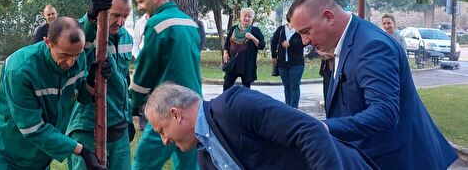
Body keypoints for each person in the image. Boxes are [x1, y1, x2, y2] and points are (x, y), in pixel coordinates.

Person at [287, 0, 458, 170]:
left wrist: (323, 127)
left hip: (400, 161)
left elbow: (384, 112)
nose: (304, 41)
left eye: (306, 31)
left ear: (328, 17)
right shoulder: (351, 39)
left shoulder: (372, 46)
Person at [0, 0, 112, 170]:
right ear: (47, 42)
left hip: (40, 159)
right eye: (64, 56)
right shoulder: (20, 70)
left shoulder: (77, 57)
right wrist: (83, 151)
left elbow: (80, 95)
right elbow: (32, 128)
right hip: (8, 157)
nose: (70, 63)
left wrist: (92, 82)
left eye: (76, 55)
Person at [145, 83, 378, 170]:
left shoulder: (235, 104)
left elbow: (310, 130)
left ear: (176, 114)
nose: (165, 140)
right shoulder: (204, 158)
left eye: (162, 130)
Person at [130, 0, 202, 170]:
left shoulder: (157, 23)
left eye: (140, 2)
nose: (139, 8)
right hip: (194, 106)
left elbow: (146, 70)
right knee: (188, 163)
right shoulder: (190, 22)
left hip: (168, 106)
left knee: (145, 160)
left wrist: (134, 103)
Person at [66, 0, 135, 170]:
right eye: (116, 15)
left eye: (125, 17)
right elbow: (76, 34)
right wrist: (90, 16)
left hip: (118, 127)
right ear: (103, 11)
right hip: (88, 125)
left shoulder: (127, 38)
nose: (120, 22)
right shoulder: (90, 33)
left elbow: (124, 80)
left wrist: (127, 117)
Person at [222, 8, 265, 91]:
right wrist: (225, 53)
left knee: (246, 89)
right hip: (233, 63)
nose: (247, 18)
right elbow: (227, 43)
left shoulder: (255, 30)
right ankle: (226, 103)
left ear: (252, 19)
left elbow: (262, 46)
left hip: (246, 65)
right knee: (227, 86)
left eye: (249, 17)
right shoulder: (233, 29)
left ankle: (244, 103)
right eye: (245, 16)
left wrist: (253, 38)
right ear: (240, 18)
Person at [270, 18, 305, 108]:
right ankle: (288, 108)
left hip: (297, 63)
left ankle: (294, 108)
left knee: (294, 86)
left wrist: (291, 43)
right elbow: (273, 41)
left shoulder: (300, 30)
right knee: (286, 86)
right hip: (282, 63)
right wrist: (274, 56)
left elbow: (305, 42)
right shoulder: (281, 29)